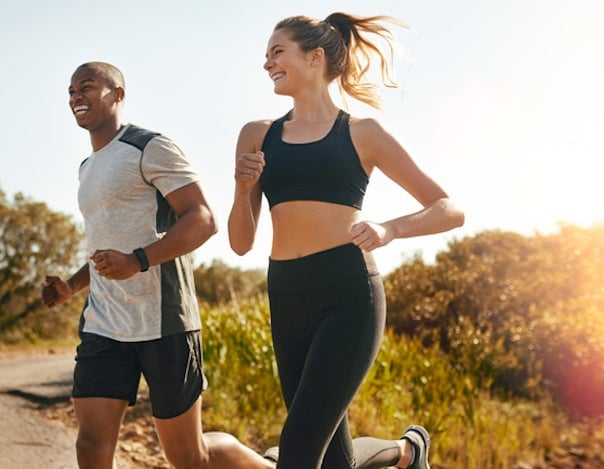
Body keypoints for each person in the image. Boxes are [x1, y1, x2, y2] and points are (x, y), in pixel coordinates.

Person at [228, 12, 465, 469]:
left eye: (277, 52)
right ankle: (406, 452)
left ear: (314, 57)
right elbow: (240, 243)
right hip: (286, 293)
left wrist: (389, 229)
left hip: (348, 295)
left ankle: (405, 452)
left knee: (296, 454)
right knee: (333, 461)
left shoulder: (363, 133)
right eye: (265, 55)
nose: (267, 63)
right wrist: (241, 190)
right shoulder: (257, 135)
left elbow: (449, 209)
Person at [41, 61, 275, 469]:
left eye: (87, 86)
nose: (76, 96)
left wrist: (138, 261)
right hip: (104, 324)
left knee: (189, 458)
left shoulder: (150, 147)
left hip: (164, 321)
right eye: (71, 90)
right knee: (91, 446)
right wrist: (71, 287)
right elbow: (104, 247)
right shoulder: (87, 168)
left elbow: (203, 218)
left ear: (118, 94)